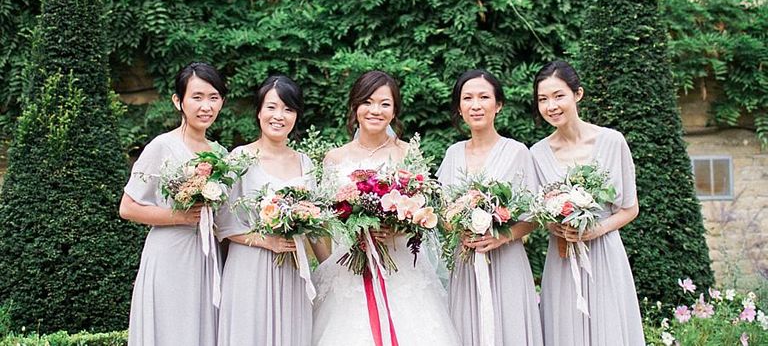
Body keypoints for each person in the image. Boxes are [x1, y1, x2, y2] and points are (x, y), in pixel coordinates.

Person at [312, 70, 461, 346]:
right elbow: (326, 221)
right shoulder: (335, 158)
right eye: (367, 102)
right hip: (350, 270)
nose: (375, 110)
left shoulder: (407, 153)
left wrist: (396, 229)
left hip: (401, 265)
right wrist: (341, 251)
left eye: (385, 103)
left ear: (394, 112)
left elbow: (423, 213)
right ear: (355, 107)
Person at [529, 60, 644, 346]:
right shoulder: (537, 154)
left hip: (604, 253)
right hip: (563, 257)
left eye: (558, 96)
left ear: (577, 94)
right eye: (543, 99)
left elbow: (630, 208)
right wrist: (554, 224)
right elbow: (536, 213)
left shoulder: (612, 141)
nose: (551, 106)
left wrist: (595, 229)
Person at [120, 61, 228, 346]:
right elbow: (128, 207)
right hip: (170, 255)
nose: (206, 106)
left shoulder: (221, 154)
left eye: (213, 98)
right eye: (197, 97)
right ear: (178, 101)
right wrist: (179, 216)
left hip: (208, 257)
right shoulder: (161, 147)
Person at [437, 69, 543, 346]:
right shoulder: (452, 154)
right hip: (466, 261)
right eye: (467, 98)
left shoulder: (518, 152)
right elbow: (443, 214)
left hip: (506, 260)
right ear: (459, 108)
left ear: (498, 105)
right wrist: (459, 227)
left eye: (484, 97)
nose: (475, 105)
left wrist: (501, 236)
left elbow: (534, 216)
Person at [216, 74, 322, 346]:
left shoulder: (305, 162)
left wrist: (332, 269)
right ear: (259, 111)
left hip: (292, 269)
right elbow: (223, 225)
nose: (279, 116)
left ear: (296, 116)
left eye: (288, 109)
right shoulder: (240, 158)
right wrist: (268, 241)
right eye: (272, 107)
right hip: (250, 267)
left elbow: (317, 226)